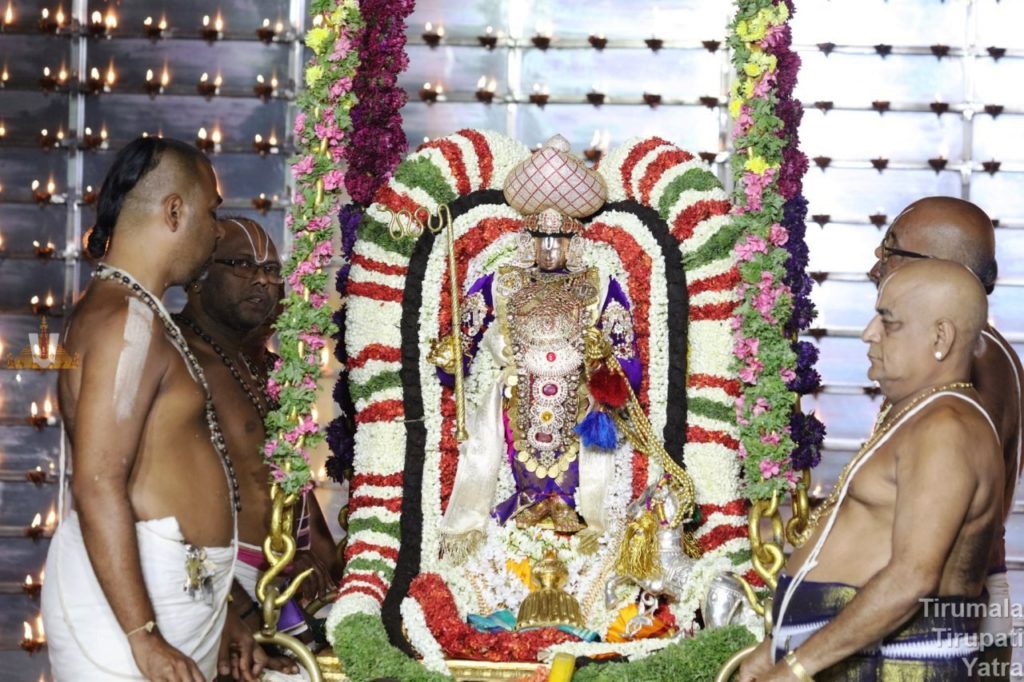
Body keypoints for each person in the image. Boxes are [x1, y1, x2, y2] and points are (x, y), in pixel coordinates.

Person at [41, 137, 261, 681]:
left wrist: (224, 606)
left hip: (173, 595)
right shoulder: (126, 323)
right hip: (134, 616)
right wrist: (143, 636)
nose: (216, 230)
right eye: (211, 213)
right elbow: (96, 481)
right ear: (174, 211)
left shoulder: (135, 311)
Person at [739, 260, 1003, 680]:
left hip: (900, 666)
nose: (868, 333)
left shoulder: (946, 428)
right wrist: (780, 648)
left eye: (888, 322)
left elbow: (911, 579)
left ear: (941, 337)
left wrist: (796, 665)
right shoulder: (919, 413)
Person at [429, 135, 643, 554]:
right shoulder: (503, 280)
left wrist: (607, 367)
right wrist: (452, 356)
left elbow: (627, 359)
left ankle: (568, 509)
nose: (549, 250)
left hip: (577, 400)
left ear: (572, 241)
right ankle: (526, 506)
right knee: (521, 449)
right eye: (541, 240)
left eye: (557, 241)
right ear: (528, 240)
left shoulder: (598, 285)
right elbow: (464, 337)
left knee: (572, 465)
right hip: (519, 395)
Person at [868, 197, 1023, 672]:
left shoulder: (971, 358)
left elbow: (932, 541)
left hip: (941, 617)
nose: (876, 263)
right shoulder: (982, 351)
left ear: (939, 267)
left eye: (890, 248)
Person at [175, 217, 341, 660]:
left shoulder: (263, 366)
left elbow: (288, 479)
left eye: (272, 270)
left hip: (285, 581)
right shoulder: (177, 355)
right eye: (243, 265)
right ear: (197, 277)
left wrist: (321, 557)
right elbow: (174, 494)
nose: (264, 280)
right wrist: (235, 605)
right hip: (217, 583)